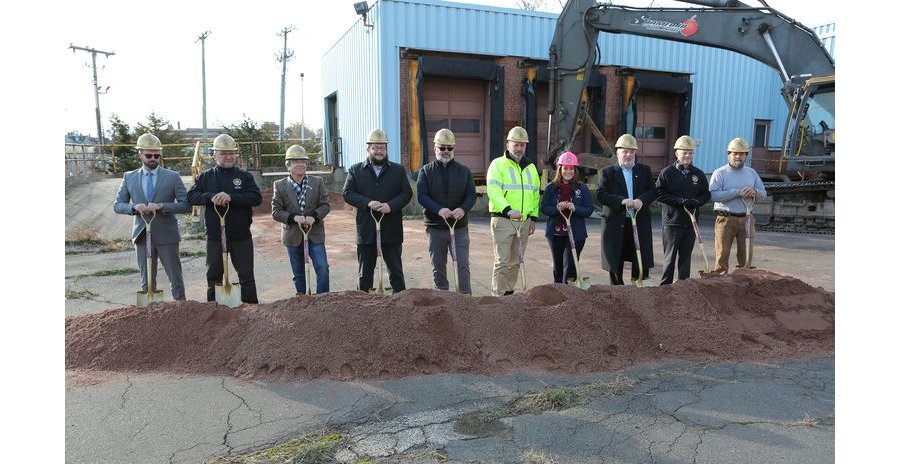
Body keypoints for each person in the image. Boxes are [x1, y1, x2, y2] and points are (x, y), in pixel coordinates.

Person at [114, 133, 191, 300]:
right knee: (147, 281)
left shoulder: (172, 177)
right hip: (142, 235)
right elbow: (118, 205)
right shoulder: (129, 177)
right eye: (149, 155)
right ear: (140, 154)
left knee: (175, 278)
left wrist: (162, 206)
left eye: (157, 155)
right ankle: (150, 313)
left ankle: (182, 310)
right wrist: (134, 207)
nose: (153, 158)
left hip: (167, 235)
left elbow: (186, 205)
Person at [187, 133, 262, 304]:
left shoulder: (244, 177)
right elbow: (191, 196)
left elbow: (256, 198)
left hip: (240, 235)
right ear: (214, 155)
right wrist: (211, 197)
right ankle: (213, 310)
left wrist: (232, 197)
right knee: (213, 275)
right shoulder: (205, 177)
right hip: (215, 236)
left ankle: (252, 310)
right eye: (223, 153)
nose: (229, 157)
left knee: (246, 276)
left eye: (232, 153)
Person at [342, 128, 413, 292]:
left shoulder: (398, 170)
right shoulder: (356, 170)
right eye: (375, 148)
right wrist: (368, 203)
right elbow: (347, 193)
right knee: (365, 273)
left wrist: (391, 206)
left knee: (396, 272)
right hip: (366, 230)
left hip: (391, 229)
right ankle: (362, 306)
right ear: (368, 150)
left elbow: (406, 193)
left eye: (382, 148)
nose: (379, 151)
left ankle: (401, 305)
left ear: (386, 150)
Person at [416, 129, 476, 294]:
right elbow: (422, 196)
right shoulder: (426, 171)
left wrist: (463, 209)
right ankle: (442, 298)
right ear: (435, 148)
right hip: (435, 227)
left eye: (449, 148)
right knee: (438, 266)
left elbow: (471, 195)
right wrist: (438, 209)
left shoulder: (464, 171)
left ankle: (465, 299)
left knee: (463, 264)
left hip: (459, 227)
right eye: (442, 148)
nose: (446, 152)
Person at [596, 134, 657, 285]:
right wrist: (621, 201)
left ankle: (639, 286)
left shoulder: (644, 171)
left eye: (632, 151)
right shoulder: (607, 173)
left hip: (639, 222)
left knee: (640, 257)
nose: (629, 155)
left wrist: (641, 200)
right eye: (625, 151)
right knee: (616, 258)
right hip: (617, 222)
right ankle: (617, 290)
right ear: (618, 153)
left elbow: (653, 191)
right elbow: (601, 194)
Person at [486, 126, 540, 296]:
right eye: (516, 144)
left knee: (516, 260)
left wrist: (533, 218)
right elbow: (493, 191)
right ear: (508, 144)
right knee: (502, 261)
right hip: (503, 220)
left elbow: (535, 194)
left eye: (522, 145)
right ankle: (498, 296)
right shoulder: (497, 165)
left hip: (523, 222)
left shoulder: (531, 168)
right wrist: (508, 209)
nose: (519, 148)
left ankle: (509, 293)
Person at [271, 145, 331, 295]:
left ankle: (323, 300)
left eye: (303, 161)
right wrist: (292, 218)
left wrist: (314, 217)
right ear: (288, 165)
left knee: (322, 268)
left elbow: (325, 205)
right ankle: (302, 303)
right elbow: (276, 211)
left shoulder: (317, 182)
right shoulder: (280, 185)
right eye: (295, 161)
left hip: (314, 234)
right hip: (293, 236)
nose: (300, 164)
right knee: (299, 274)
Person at [655, 135, 711, 284]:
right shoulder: (667, 173)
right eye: (684, 152)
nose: (687, 155)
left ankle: (683, 288)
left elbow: (706, 194)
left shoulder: (698, 174)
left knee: (686, 259)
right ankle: (665, 288)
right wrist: (680, 201)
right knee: (670, 259)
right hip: (672, 223)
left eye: (690, 152)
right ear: (677, 153)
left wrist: (697, 201)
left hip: (690, 223)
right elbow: (659, 194)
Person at [708, 137, 767, 274]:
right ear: (728, 154)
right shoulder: (720, 173)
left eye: (742, 154)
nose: (738, 157)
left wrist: (755, 192)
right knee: (722, 254)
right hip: (725, 219)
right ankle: (719, 281)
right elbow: (713, 196)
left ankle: (742, 281)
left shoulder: (751, 173)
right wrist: (737, 192)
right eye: (735, 153)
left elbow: (763, 194)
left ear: (746, 155)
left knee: (746, 254)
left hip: (746, 219)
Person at [540, 151, 593, 284]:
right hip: (556, 233)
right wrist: (557, 208)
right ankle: (558, 292)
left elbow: (588, 210)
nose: (568, 171)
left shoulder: (582, 188)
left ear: (575, 170)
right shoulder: (551, 188)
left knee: (570, 265)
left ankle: (570, 293)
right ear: (560, 169)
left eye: (571, 168)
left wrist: (575, 208)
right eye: (565, 168)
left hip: (576, 233)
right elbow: (544, 208)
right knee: (558, 266)